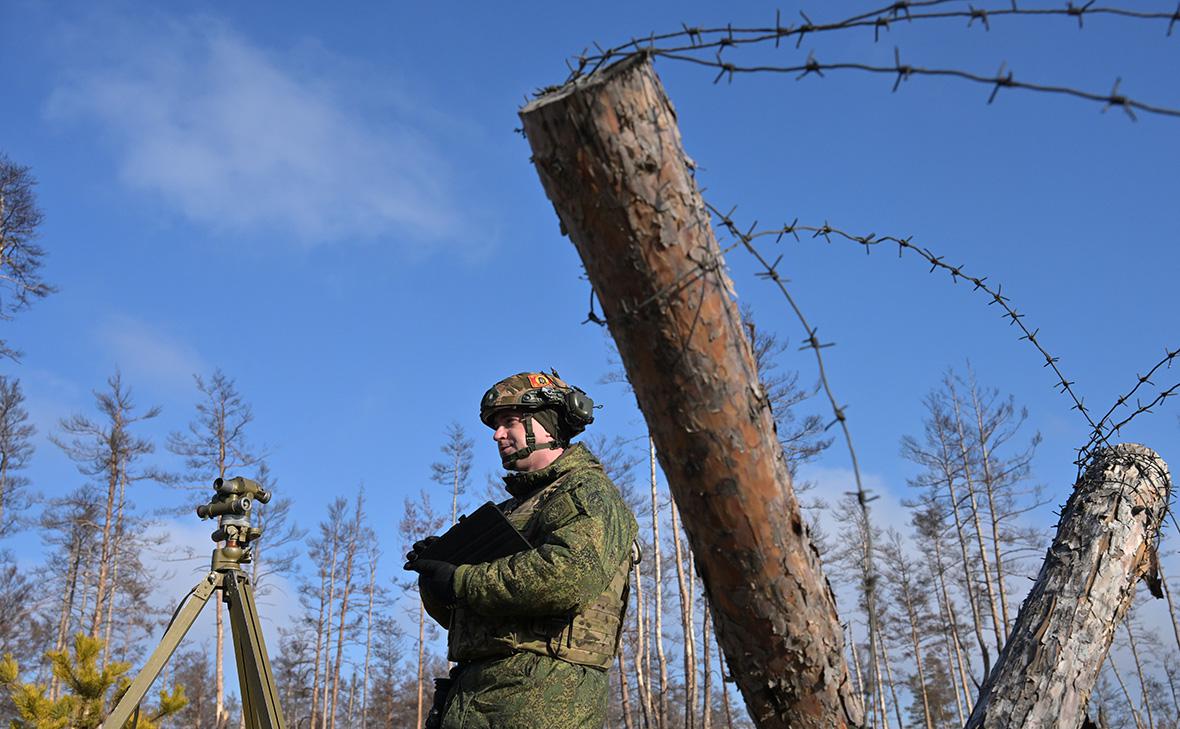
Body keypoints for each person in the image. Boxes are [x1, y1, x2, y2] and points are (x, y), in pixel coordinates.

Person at [405, 371, 639, 729]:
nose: (497, 435)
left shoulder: (587, 493)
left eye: (509, 421)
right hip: (477, 692)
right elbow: (465, 616)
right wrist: (437, 574)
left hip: (544, 693)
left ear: (548, 424)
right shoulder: (516, 509)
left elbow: (567, 577)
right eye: (495, 425)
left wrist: (460, 580)